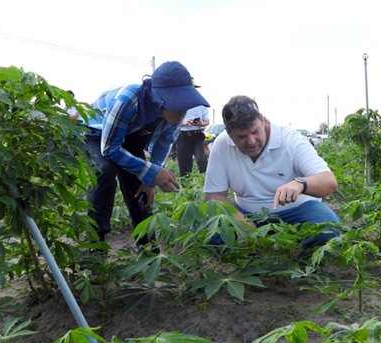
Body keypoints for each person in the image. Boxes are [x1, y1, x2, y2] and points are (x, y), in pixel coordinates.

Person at [84, 61, 210, 247]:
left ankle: (148, 248)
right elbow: (110, 148)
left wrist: (150, 177)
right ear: (158, 98)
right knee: (105, 170)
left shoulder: (175, 115)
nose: (182, 110)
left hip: (131, 138)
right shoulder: (128, 100)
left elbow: (164, 144)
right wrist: (151, 171)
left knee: (140, 187)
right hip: (98, 136)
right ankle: (96, 244)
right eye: (177, 103)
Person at [203, 95, 340, 248]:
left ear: (263, 120)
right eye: (242, 136)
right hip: (247, 213)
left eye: (255, 132)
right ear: (228, 133)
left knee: (328, 230)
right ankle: (251, 249)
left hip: (299, 211)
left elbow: (329, 182)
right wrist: (238, 219)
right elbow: (213, 195)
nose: (251, 141)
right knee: (202, 229)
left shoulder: (290, 139)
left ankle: (296, 251)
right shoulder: (221, 145)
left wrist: (299, 184)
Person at [177, 105, 210, 176]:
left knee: (202, 160)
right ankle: (187, 185)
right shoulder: (179, 103)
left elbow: (207, 121)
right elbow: (172, 121)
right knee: (184, 165)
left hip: (197, 135)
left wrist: (201, 124)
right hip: (183, 136)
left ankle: (205, 180)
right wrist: (183, 123)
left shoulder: (201, 106)